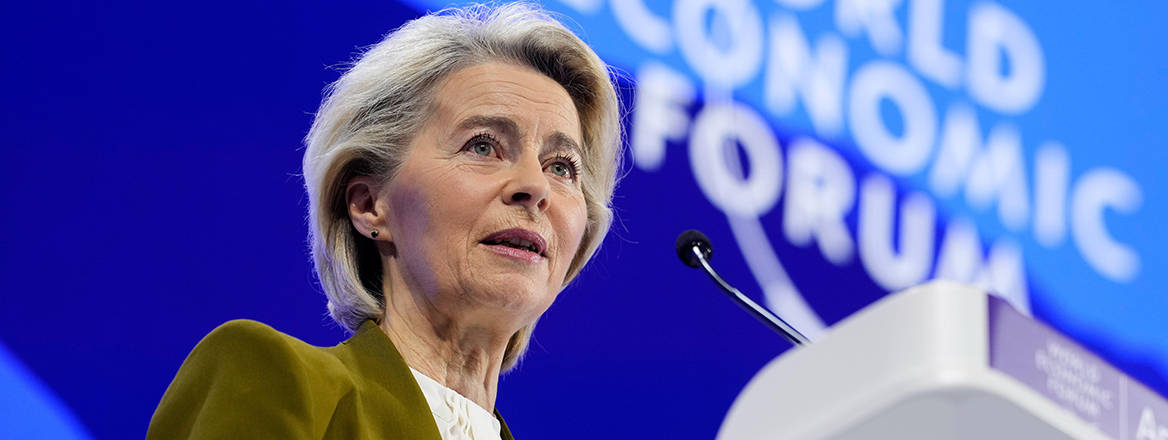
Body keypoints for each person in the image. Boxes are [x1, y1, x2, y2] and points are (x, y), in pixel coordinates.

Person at [146, 3, 622, 439]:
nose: (536, 187)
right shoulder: (276, 380)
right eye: (482, 145)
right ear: (369, 205)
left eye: (562, 166)